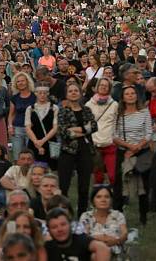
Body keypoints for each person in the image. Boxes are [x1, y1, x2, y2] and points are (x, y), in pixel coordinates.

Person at [111, 84, 152, 223]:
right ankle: (117, 215)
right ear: (123, 97)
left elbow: (149, 133)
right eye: (127, 94)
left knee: (143, 186)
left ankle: (143, 217)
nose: (130, 96)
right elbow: (114, 135)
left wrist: (137, 147)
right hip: (124, 152)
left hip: (142, 151)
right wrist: (129, 147)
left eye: (133, 93)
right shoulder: (118, 114)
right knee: (120, 184)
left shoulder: (144, 112)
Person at [57, 81, 97, 218]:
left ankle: (82, 215)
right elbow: (63, 132)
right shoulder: (63, 111)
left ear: (80, 93)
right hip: (67, 150)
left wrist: (76, 130)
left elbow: (94, 126)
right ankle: (64, 214)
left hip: (85, 149)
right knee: (64, 186)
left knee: (84, 186)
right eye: (70, 91)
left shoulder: (87, 110)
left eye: (76, 91)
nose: (73, 93)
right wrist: (84, 130)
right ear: (66, 95)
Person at [78, 185, 128, 258]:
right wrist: (102, 238)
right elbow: (83, 236)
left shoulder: (118, 215)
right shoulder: (86, 216)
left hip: (115, 252)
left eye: (107, 197)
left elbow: (125, 233)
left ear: (111, 200)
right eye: (99, 197)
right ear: (93, 201)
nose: (103, 200)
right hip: (93, 252)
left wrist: (116, 241)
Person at [44, 208, 111, 261]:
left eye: (63, 224)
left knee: (95, 256)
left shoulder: (80, 239)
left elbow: (103, 248)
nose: (60, 229)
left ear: (70, 224)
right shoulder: (47, 247)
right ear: (49, 230)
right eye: (54, 227)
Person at [85, 78, 118, 184]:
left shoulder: (114, 105)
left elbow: (117, 123)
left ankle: (115, 197)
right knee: (98, 177)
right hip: (95, 146)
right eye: (101, 85)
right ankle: (99, 197)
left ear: (109, 88)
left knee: (113, 176)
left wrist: (114, 138)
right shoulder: (89, 105)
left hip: (110, 144)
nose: (103, 87)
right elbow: (86, 125)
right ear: (97, 87)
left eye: (106, 85)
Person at [24, 85, 59, 170]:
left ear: (48, 94)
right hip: (34, 142)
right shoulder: (30, 109)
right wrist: (37, 142)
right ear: (36, 94)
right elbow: (27, 127)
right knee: (34, 168)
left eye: (44, 93)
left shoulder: (54, 108)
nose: (42, 95)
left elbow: (55, 127)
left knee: (51, 169)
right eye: (40, 93)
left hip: (50, 142)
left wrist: (42, 141)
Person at [8, 72, 36, 160]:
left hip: (32, 129)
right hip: (17, 129)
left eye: (23, 81)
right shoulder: (14, 98)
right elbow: (11, 114)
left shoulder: (35, 97)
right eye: (18, 81)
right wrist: (10, 126)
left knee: (31, 156)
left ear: (27, 81)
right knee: (17, 156)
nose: (21, 83)